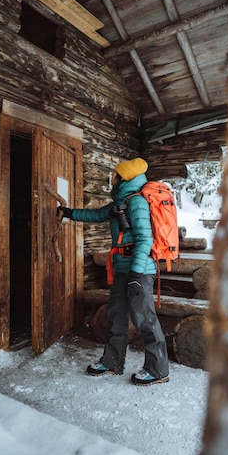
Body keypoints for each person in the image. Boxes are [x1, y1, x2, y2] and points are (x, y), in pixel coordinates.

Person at [58, 157, 169, 386]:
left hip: (139, 270)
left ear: (124, 177)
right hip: (122, 268)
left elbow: (145, 239)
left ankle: (158, 370)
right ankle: (112, 362)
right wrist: (68, 213)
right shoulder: (121, 201)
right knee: (116, 315)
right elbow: (96, 215)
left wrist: (137, 275)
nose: (112, 177)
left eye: (115, 174)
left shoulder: (136, 202)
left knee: (144, 318)